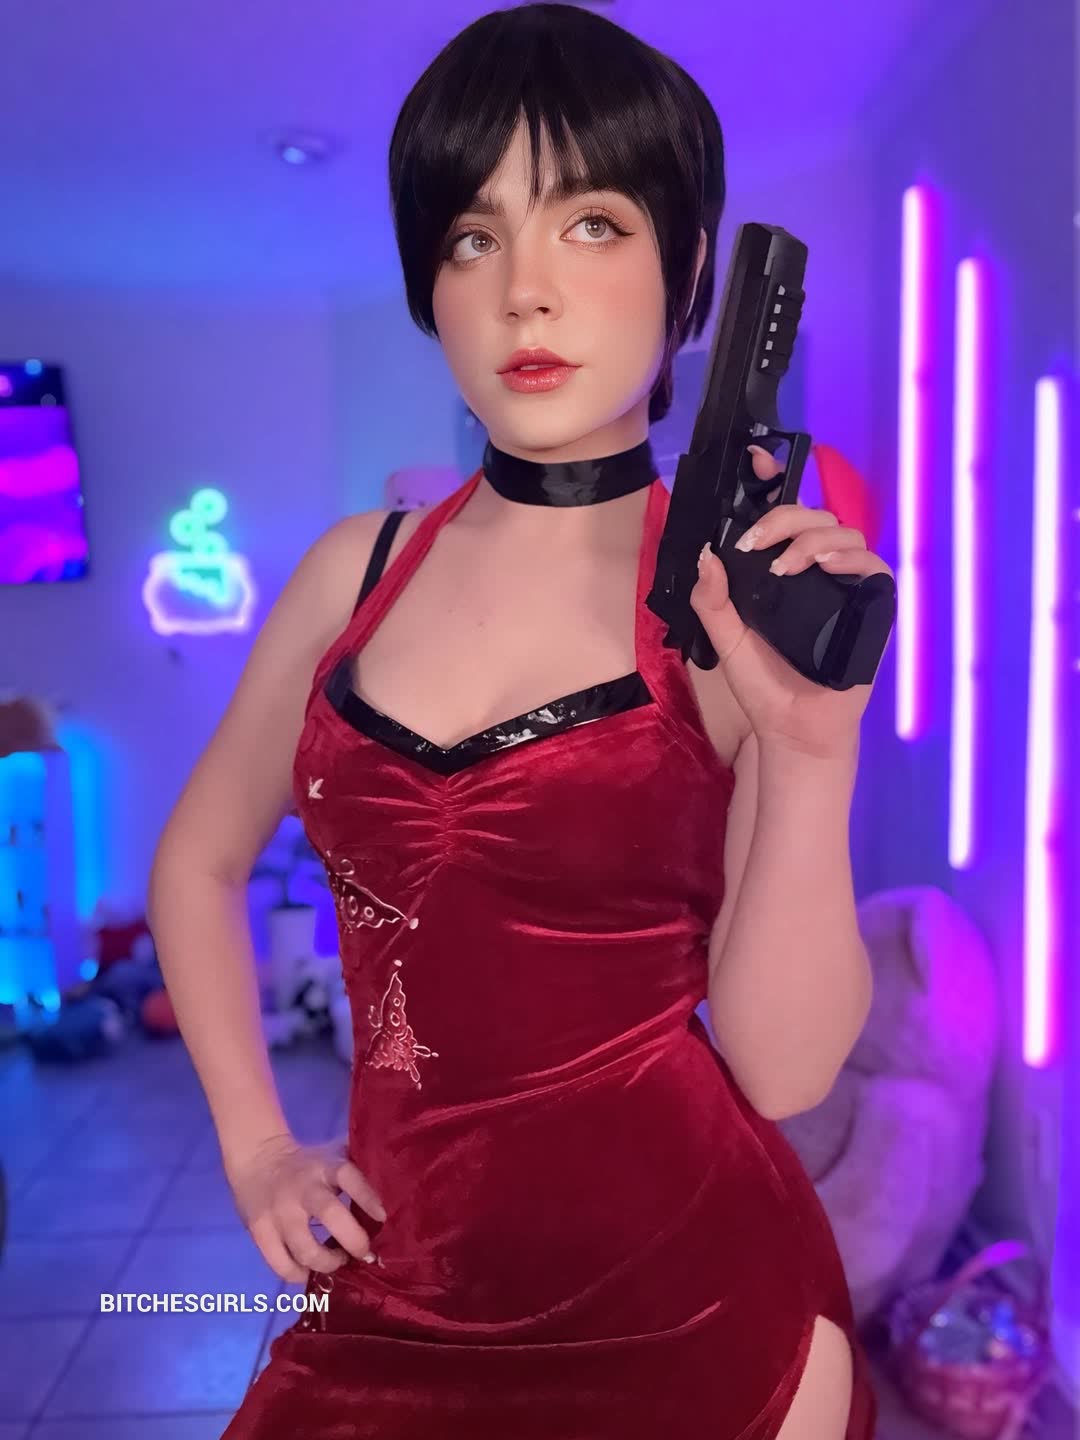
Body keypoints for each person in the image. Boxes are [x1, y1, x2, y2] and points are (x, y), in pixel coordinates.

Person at [149, 5, 891, 1436]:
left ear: (692, 275)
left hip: (693, 1305)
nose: (524, 294)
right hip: (391, 1289)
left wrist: (813, 754)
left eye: (592, 224)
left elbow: (786, 1068)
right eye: (473, 238)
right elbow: (197, 861)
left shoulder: (722, 606)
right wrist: (254, 1151)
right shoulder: (352, 574)